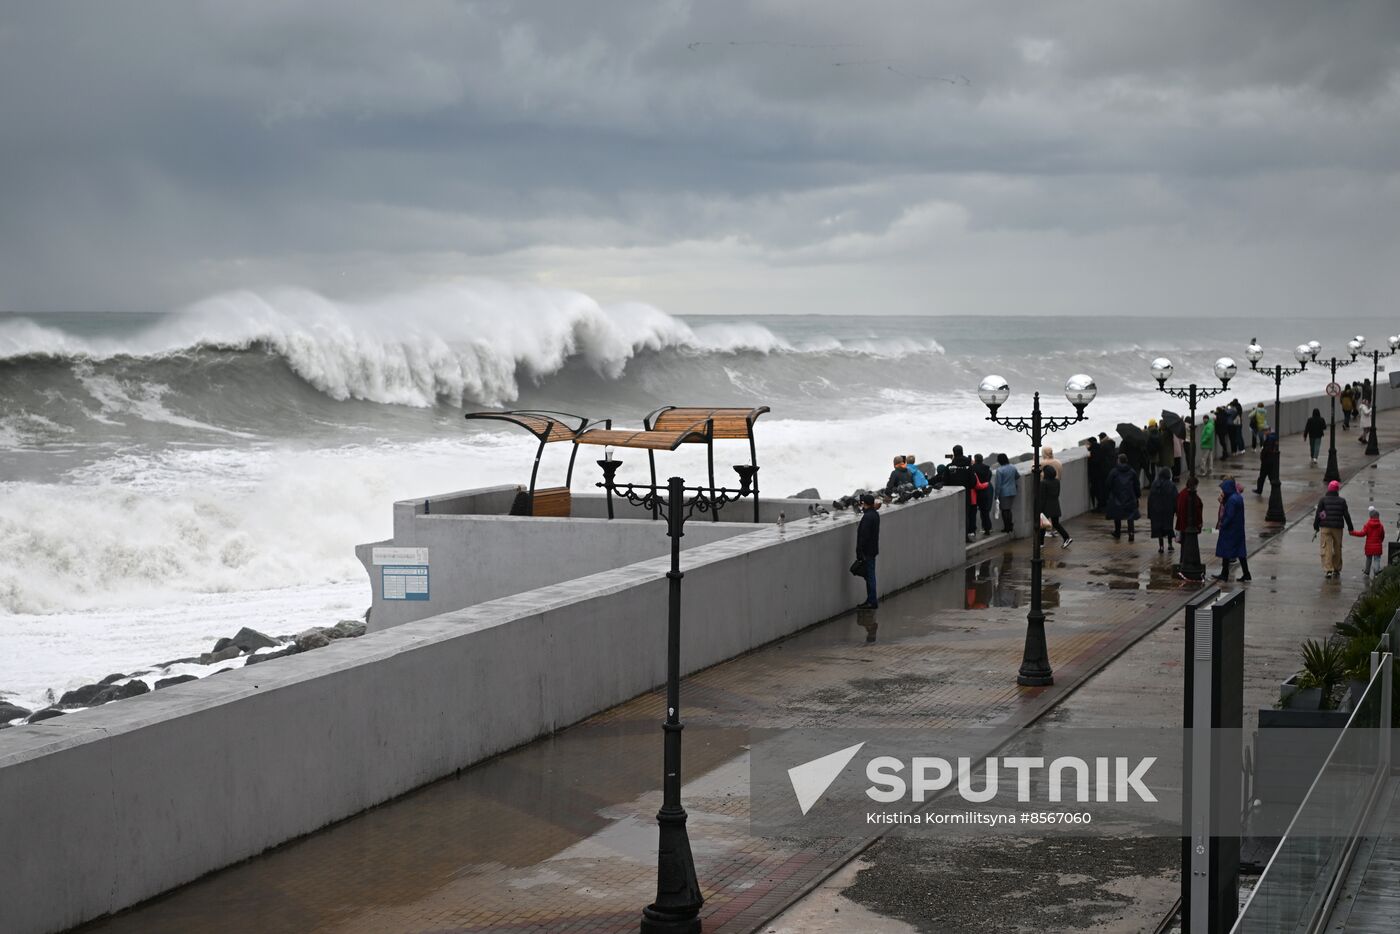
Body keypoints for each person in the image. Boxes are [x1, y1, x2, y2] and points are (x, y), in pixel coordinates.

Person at [1314, 479, 1355, 580]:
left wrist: (1316, 526)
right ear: (1337, 490)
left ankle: (1328, 569)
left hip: (1325, 527)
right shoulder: (1342, 501)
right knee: (1337, 547)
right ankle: (1337, 568)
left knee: (1326, 548)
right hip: (1338, 527)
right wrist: (1350, 528)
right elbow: (1346, 515)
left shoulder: (1323, 500)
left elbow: (1318, 514)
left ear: (1329, 489)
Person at [1214, 479, 1251, 581]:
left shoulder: (1231, 500)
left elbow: (1229, 516)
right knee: (1240, 552)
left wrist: (1223, 524)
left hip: (1230, 530)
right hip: (1238, 529)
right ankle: (1246, 573)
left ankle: (1224, 573)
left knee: (1226, 550)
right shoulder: (1238, 497)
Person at [1105, 453, 1141, 541]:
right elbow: (1136, 485)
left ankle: (1117, 532)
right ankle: (1131, 533)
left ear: (1118, 461)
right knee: (1130, 516)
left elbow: (1108, 484)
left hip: (1117, 496)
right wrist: (1138, 495)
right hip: (1130, 497)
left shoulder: (1114, 472)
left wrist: (1108, 495)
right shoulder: (1132, 471)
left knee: (1117, 514)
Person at [855, 493, 880, 609]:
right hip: (873, 549)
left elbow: (863, 536)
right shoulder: (875, 514)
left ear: (865, 504)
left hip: (867, 551)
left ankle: (872, 601)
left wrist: (859, 551)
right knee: (870, 575)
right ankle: (870, 599)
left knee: (870, 576)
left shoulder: (867, 517)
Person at [1039, 464, 1072, 548]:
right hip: (1055, 505)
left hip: (1046, 506)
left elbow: (1042, 497)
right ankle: (1066, 537)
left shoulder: (1043, 483)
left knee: (1042, 525)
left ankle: (1041, 543)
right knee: (1056, 524)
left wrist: (1040, 509)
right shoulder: (1057, 481)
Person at [1147, 467, 1178, 554]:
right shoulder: (1171, 485)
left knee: (1159, 529)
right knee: (1168, 527)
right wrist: (1176, 510)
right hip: (1168, 510)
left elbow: (1150, 499)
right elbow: (1176, 498)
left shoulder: (1154, 484)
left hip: (1156, 511)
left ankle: (1161, 546)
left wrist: (1150, 512)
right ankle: (1170, 544)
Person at [1351, 506, 1385, 576]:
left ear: (1370, 517)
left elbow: (1362, 534)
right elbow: (1382, 535)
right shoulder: (1381, 526)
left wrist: (1353, 533)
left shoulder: (1367, 525)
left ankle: (1367, 571)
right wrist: (1380, 542)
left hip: (1369, 546)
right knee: (1377, 559)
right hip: (1378, 546)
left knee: (1368, 559)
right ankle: (1376, 572)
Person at [993, 453, 1019, 534]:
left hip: (1004, 492)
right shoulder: (1013, 467)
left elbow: (998, 484)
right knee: (1009, 509)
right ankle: (1010, 526)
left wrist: (996, 495)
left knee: (1004, 510)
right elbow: (1017, 476)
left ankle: (1006, 527)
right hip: (1013, 491)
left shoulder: (1000, 470)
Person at [972, 454, 994, 536]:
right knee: (985, 511)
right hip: (985, 490)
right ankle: (987, 528)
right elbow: (988, 479)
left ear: (975, 459)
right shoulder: (987, 468)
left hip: (976, 491)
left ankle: (973, 530)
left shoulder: (972, 468)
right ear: (982, 459)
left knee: (973, 512)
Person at [1254, 431, 1280, 496]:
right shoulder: (1274, 438)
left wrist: (1262, 457)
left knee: (1262, 477)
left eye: (1265, 431)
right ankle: (1274, 490)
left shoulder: (1269, 439)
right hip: (1271, 461)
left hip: (1266, 461)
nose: (1264, 432)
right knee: (1271, 477)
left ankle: (1259, 490)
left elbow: (1266, 450)